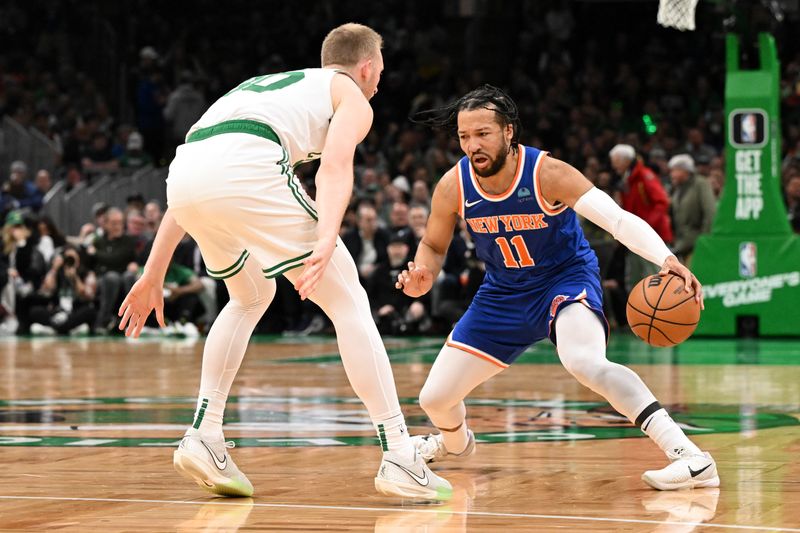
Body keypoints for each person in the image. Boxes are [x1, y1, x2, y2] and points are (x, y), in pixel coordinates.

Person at [117, 23, 451, 501]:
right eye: (380, 70)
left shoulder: (266, 88)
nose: (379, 80)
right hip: (244, 167)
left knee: (251, 294)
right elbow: (335, 166)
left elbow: (198, 184)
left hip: (184, 174)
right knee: (348, 299)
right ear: (368, 67)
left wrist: (153, 273)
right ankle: (399, 453)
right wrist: (326, 235)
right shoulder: (352, 95)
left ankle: (205, 435)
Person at [397, 86, 718, 491]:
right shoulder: (453, 185)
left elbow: (616, 220)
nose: (473, 146)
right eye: (464, 137)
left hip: (563, 280)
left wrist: (666, 259)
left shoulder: (546, 173)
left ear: (509, 132)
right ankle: (456, 445)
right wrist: (421, 275)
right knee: (435, 398)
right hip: (502, 293)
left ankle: (691, 457)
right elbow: (433, 245)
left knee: (584, 362)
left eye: (483, 134)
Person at [609, 143, 673, 292]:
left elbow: (662, 202)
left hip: (651, 236)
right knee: (635, 280)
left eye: (615, 161)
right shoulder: (628, 178)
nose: (613, 166)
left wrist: (647, 227)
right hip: (634, 236)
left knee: (655, 277)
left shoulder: (644, 175)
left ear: (624, 160)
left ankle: (660, 312)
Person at [667, 155, 716, 264]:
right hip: (681, 244)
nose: (671, 175)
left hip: (696, 243)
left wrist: (704, 239)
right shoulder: (677, 188)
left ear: (685, 171)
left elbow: (710, 212)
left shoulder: (701, 184)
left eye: (674, 171)